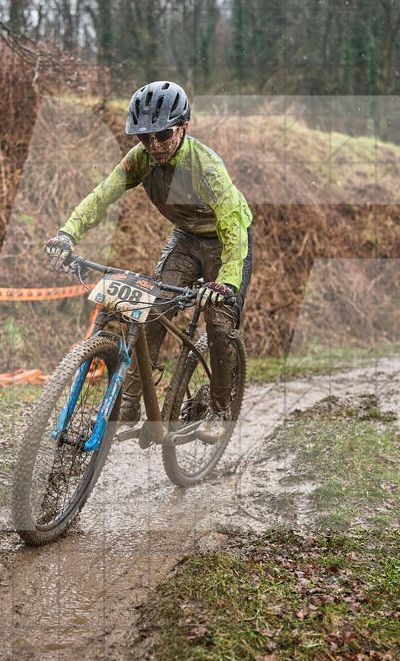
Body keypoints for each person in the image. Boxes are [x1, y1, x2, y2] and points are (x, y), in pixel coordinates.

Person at [44, 80, 253, 438]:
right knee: (151, 309)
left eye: (163, 135)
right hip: (186, 239)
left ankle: (220, 408)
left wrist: (227, 281)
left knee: (218, 325)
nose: (154, 145)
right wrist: (67, 234)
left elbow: (233, 229)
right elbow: (101, 197)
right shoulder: (140, 160)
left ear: (183, 128)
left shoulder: (208, 169)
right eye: (144, 138)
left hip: (225, 242)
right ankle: (128, 403)